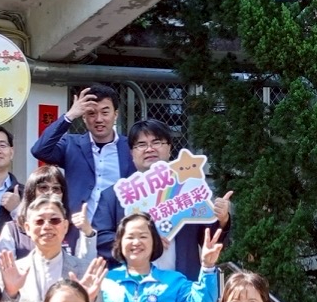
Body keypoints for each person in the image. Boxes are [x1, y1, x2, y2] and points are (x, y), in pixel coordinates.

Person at [89, 118, 232, 277]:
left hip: (182, 284)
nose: (149, 149)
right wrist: (141, 239)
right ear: (132, 153)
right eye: (141, 144)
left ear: (169, 148)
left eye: (156, 142)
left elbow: (211, 241)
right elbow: (100, 239)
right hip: (131, 286)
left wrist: (222, 219)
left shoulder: (188, 189)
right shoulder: (114, 196)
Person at [30, 83, 131, 222]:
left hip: (119, 227)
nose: (99, 119)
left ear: (116, 114)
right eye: (91, 113)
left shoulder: (130, 147)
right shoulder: (71, 144)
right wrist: (70, 115)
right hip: (77, 226)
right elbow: (40, 150)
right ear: (83, 117)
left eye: (105, 112)